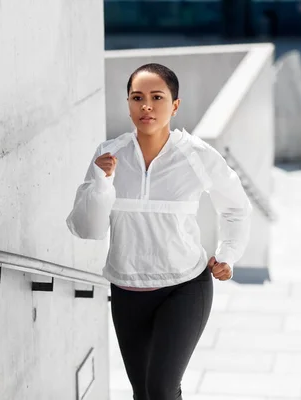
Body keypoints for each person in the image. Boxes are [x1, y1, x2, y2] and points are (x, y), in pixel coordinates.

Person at [66, 63, 252, 400]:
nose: (146, 106)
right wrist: (101, 183)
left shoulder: (197, 156)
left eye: (156, 97)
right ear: (128, 103)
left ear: (175, 105)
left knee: (161, 390)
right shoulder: (109, 155)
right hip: (127, 289)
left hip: (184, 287)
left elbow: (236, 207)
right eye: (137, 97)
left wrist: (228, 254)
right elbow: (87, 228)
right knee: (144, 393)